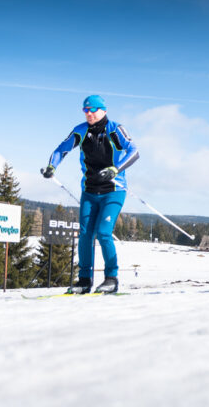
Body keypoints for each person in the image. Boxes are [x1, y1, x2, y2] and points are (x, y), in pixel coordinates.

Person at [41, 95, 139, 294]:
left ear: (103, 109)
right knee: (85, 235)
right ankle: (84, 280)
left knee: (103, 232)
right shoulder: (81, 130)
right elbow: (62, 149)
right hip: (89, 191)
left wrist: (115, 169)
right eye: (85, 110)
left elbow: (134, 151)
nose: (88, 113)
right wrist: (52, 166)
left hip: (113, 190)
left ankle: (111, 278)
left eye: (92, 109)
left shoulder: (115, 129)